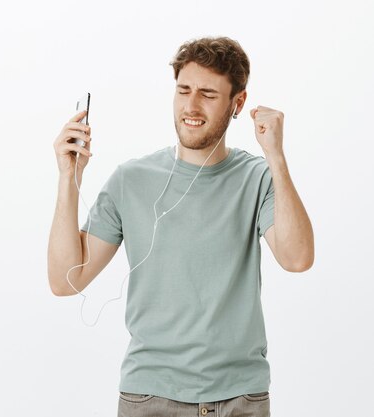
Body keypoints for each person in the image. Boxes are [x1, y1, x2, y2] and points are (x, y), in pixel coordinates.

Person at [47, 36, 314, 417]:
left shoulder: (258, 177)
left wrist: (276, 157)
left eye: (207, 94)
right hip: (149, 397)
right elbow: (64, 281)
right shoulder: (131, 180)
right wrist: (67, 178)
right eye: (183, 90)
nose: (190, 106)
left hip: (241, 398)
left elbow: (297, 258)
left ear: (237, 103)